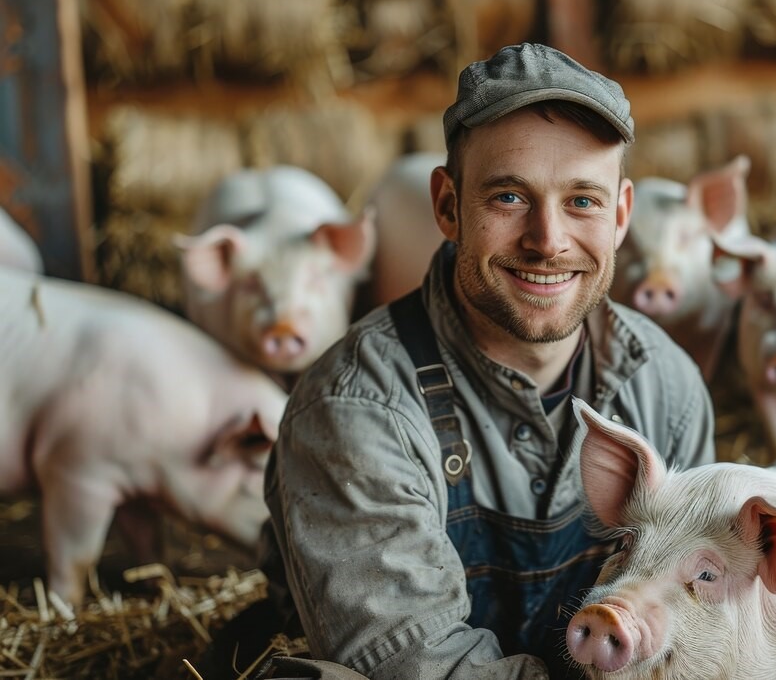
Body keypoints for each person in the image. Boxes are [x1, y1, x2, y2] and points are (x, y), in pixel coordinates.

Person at [257, 42, 716, 679]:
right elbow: (420, 666)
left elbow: (702, 618)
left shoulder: (664, 383)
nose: (548, 241)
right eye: (508, 198)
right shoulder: (357, 410)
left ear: (620, 215)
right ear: (447, 206)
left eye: (582, 200)